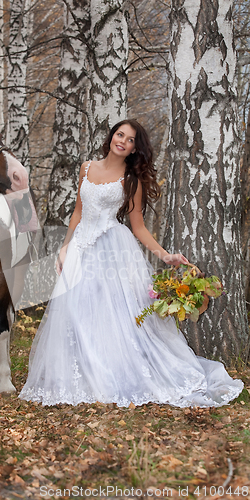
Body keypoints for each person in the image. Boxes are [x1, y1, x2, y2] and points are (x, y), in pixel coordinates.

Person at [19, 119, 243, 408]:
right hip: (81, 247)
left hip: (113, 248)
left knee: (115, 316)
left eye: (130, 139)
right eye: (119, 134)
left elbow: (138, 227)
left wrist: (166, 256)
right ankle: (83, 377)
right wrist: (64, 248)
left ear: (135, 148)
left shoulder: (131, 179)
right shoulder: (87, 168)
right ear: (112, 136)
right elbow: (78, 211)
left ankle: (113, 376)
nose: (122, 140)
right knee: (77, 313)